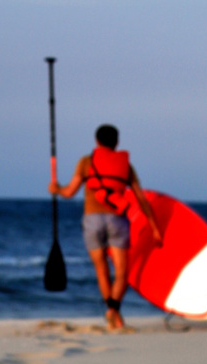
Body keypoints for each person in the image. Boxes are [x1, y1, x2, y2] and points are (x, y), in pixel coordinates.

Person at [48, 124, 161, 330]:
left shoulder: (85, 162)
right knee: (121, 271)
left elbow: (70, 192)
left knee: (101, 270)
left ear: (97, 142)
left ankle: (112, 312)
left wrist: (56, 188)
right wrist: (154, 227)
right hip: (116, 220)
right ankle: (113, 311)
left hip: (91, 221)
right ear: (117, 142)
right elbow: (141, 199)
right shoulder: (126, 166)